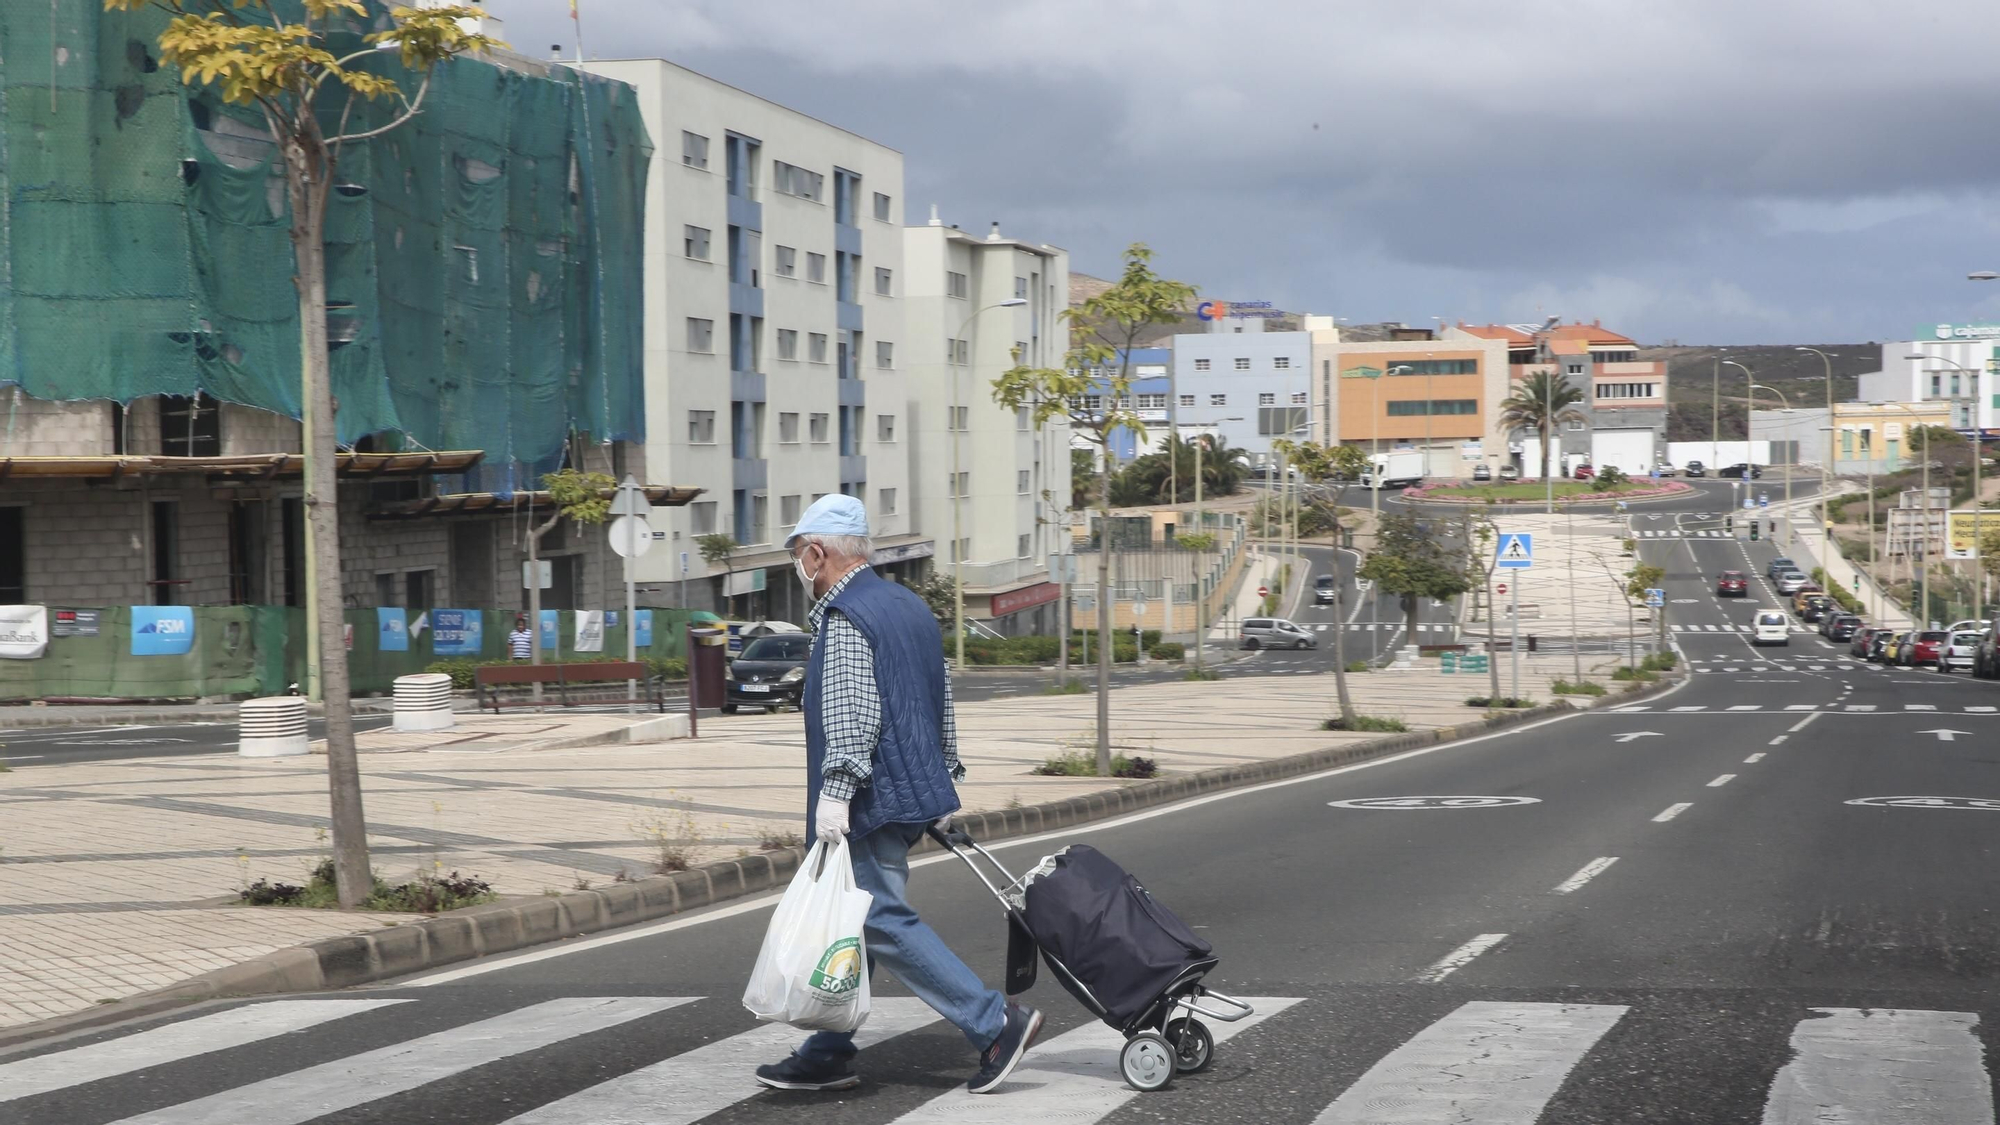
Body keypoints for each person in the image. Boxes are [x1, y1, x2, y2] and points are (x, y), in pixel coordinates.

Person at [754, 493, 1043, 1095]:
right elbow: (939, 700)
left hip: (868, 794)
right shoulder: (907, 606)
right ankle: (829, 1047)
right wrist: (944, 769)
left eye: (798, 559)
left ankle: (993, 1025)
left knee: (878, 916)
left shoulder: (847, 616)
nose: (799, 572)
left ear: (817, 553)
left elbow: (853, 713)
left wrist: (835, 793)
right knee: (855, 920)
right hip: (907, 787)